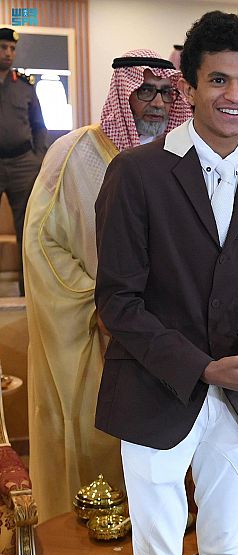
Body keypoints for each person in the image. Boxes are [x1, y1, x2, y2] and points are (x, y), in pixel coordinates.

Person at [94, 12, 238, 555]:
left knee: (226, 550)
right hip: (155, 391)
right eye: (218, 80)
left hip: (235, 398)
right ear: (189, 86)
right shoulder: (136, 173)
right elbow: (118, 302)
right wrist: (203, 368)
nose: (235, 96)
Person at [23, 49, 189, 526]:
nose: (157, 103)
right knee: (92, 433)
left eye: (166, 93)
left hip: (165, 334)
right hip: (94, 327)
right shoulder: (73, 153)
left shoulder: (182, 159)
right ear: (122, 93)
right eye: (145, 91)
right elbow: (41, 241)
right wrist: (96, 304)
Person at [0, 27, 47, 294]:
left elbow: (39, 125)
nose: (8, 53)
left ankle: (26, 293)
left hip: (22, 164)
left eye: (12, 48)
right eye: (3, 47)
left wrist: (37, 158)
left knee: (27, 230)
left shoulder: (25, 85)